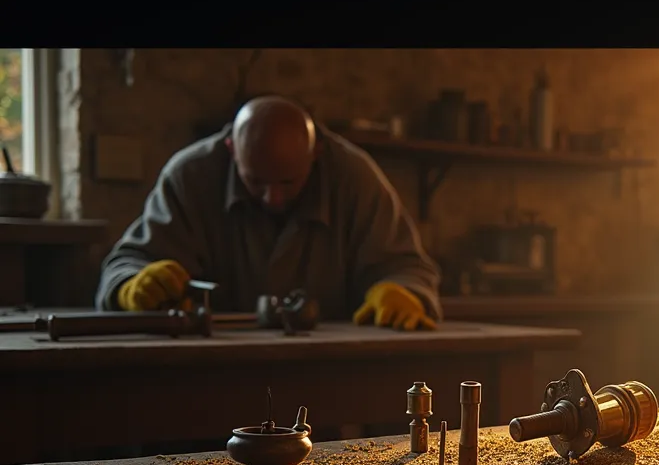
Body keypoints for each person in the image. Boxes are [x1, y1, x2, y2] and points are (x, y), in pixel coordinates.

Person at [94, 95, 441, 330]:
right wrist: (132, 286)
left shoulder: (355, 178)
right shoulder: (191, 176)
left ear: (315, 152)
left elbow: (407, 267)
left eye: (288, 182)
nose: (272, 197)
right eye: (256, 181)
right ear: (231, 150)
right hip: (208, 370)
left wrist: (400, 291)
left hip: (326, 370)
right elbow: (126, 265)